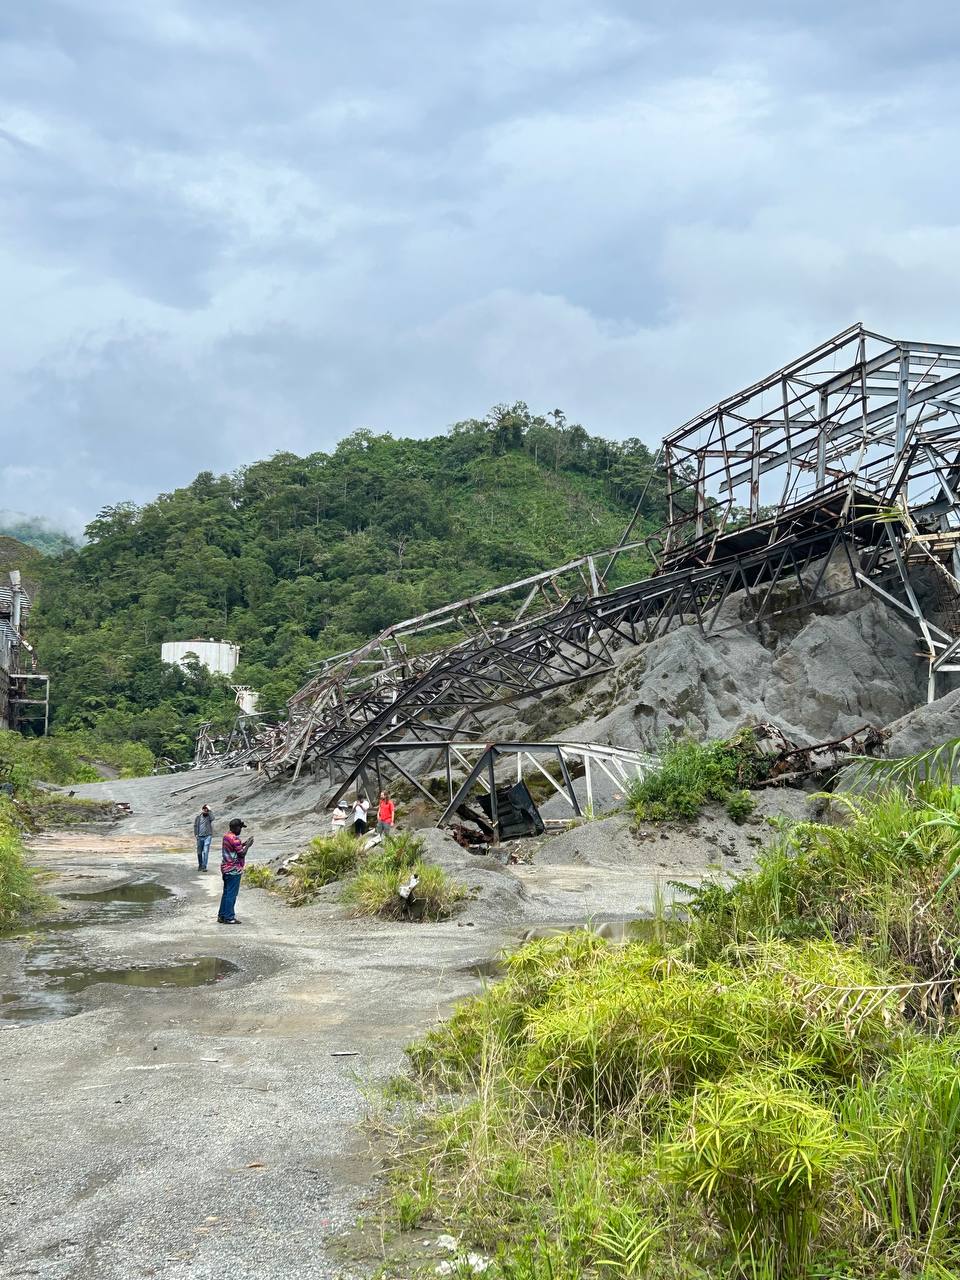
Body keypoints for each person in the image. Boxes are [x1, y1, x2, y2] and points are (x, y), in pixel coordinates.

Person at [218, 818, 253, 925]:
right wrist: (248, 845)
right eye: (240, 828)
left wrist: (243, 844)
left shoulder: (226, 837)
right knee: (232, 894)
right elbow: (241, 854)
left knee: (226, 893)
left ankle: (222, 915)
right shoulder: (235, 839)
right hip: (234, 870)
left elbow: (234, 849)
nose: (240, 830)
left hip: (225, 868)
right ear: (235, 827)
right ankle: (229, 917)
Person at [193, 804, 213, 872]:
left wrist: (210, 810)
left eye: (206, 810)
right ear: (202, 810)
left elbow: (213, 818)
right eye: (204, 810)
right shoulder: (198, 817)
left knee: (206, 851)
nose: (205, 811)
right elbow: (195, 826)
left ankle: (204, 866)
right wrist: (196, 834)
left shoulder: (209, 817)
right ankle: (200, 865)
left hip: (208, 836)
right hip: (199, 837)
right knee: (199, 852)